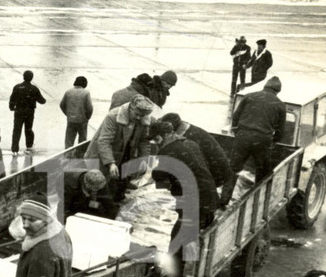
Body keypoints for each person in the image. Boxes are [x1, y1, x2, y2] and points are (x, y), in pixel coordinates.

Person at [150, 120, 220, 260]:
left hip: (194, 201)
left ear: (161, 137)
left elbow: (158, 175)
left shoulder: (168, 151)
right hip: (209, 197)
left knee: (179, 237)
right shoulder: (190, 143)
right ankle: (191, 264)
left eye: (157, 140)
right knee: (190, 233)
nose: (157, 143)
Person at [219, 76, 285, 206]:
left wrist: (238, 132)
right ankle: (257, 204)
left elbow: (236, 116)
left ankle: (223, 200)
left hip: (243, 136)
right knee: (262, 173)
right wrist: (273, 141)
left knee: (233, 169)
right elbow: (280, 131)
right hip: (262, 141)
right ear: (277, 91)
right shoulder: (280, 105)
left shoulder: (249, 96)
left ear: (265, 86)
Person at [84, 95, 156, 201]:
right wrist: (110, 163)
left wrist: (144, 159)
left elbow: (143, 141)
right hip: (102, 154)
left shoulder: (144, 119)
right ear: (131, 106)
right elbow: (104, 141)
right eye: (137, 114)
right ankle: (95, 206)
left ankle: (114, 203)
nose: (138, 118)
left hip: (125, 153)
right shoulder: (113, 116)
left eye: (142, 116)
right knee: (99, 184)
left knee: (120, 182)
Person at [160, 112, 234, 191]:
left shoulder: (188, 139)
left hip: (217, 176)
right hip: (222, 172)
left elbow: (196, 166)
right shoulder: (189, 129)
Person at [8, 70, 46, 154]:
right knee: (28, 129)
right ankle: (29, 146)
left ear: (23, 77)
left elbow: (12, 99)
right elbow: (42, 101)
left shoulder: (17, 87)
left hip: (19, 111)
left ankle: (14, 149)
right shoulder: (34, 89)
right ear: (31, 78)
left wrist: (11, 107)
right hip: (29, 112)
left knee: (17, 130)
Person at [59, 75, 93, 148]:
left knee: (69, 141)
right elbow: (89, 108)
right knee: (82, 141)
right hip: (82, 120)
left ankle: (67, 156)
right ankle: (80, 156)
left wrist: (67, 114)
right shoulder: (86, 93)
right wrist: (87, 117)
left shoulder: (68, 92)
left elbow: (62, 105)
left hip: (71, 120)